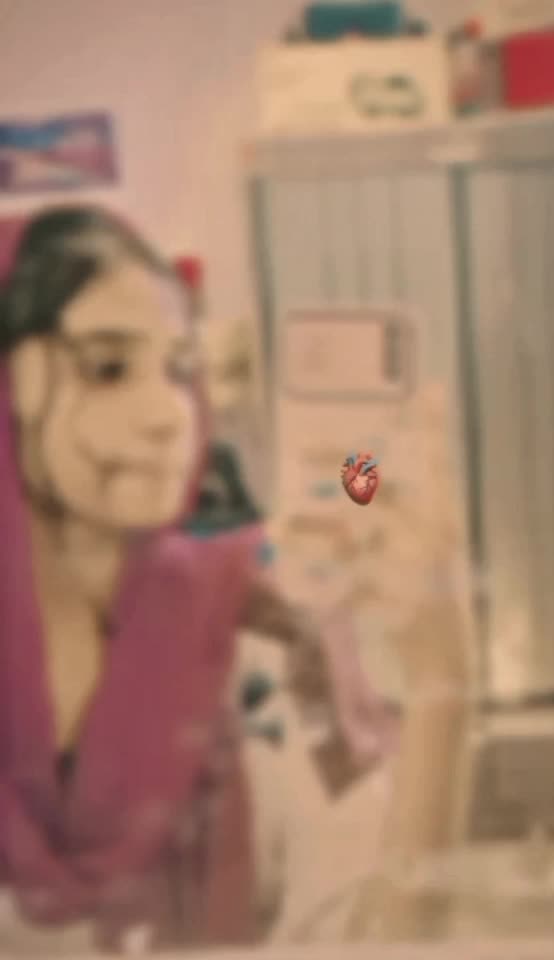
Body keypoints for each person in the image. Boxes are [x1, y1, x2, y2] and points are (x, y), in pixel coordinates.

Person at [0, 205, 394, 952]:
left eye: (181, 369)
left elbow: (334, 515)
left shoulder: (228, 602)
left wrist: (363, 462)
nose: (168, 415)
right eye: (108, 368)